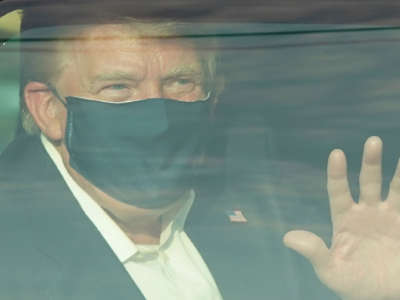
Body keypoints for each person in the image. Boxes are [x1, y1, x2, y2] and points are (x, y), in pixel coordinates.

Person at [1, 2, 400, 300]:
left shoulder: (280, 224)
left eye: (180, 82)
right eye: (118, 87)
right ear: (48, 110)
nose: (157, 114)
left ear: (211, 100)